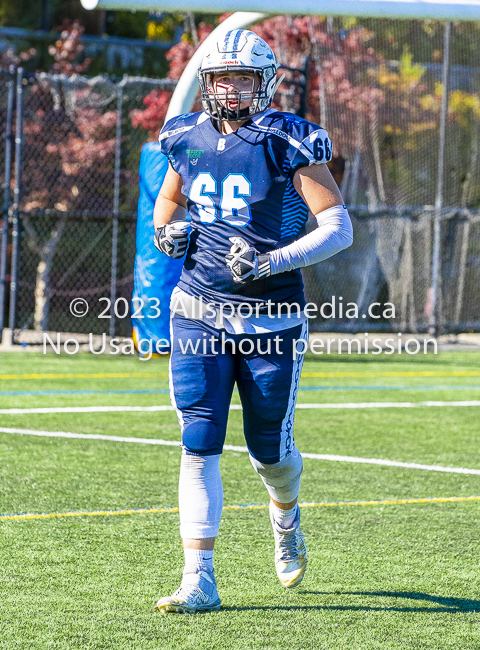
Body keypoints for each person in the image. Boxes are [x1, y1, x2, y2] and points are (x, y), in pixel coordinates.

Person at [152, 29, 353, 614]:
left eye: (242, 77)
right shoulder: (185, 134)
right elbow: (169, 201)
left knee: (269, 449)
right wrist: (167, 230)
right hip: (197, 309)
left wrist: (271, 260)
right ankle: (199, 578)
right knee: (198, 440)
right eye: (221, 77)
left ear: (264, 82)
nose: (230, 88)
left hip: (272, 316)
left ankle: (285, 516)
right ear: (208, 82)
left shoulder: (287, 139)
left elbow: (338, 227)